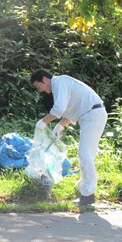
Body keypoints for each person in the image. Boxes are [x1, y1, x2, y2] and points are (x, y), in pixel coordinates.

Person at [30, 69, 107, 205]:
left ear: (45, 79)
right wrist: (61, 125)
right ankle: (85, 190)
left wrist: (43, 122)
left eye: (38, 86)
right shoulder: (61, 85)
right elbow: (72, 109)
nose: (40, 90)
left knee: (85, 154)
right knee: (85, 154)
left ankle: (88, 195)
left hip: (93, 115)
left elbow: (59, 109)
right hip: (91, 115)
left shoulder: (61, 82)